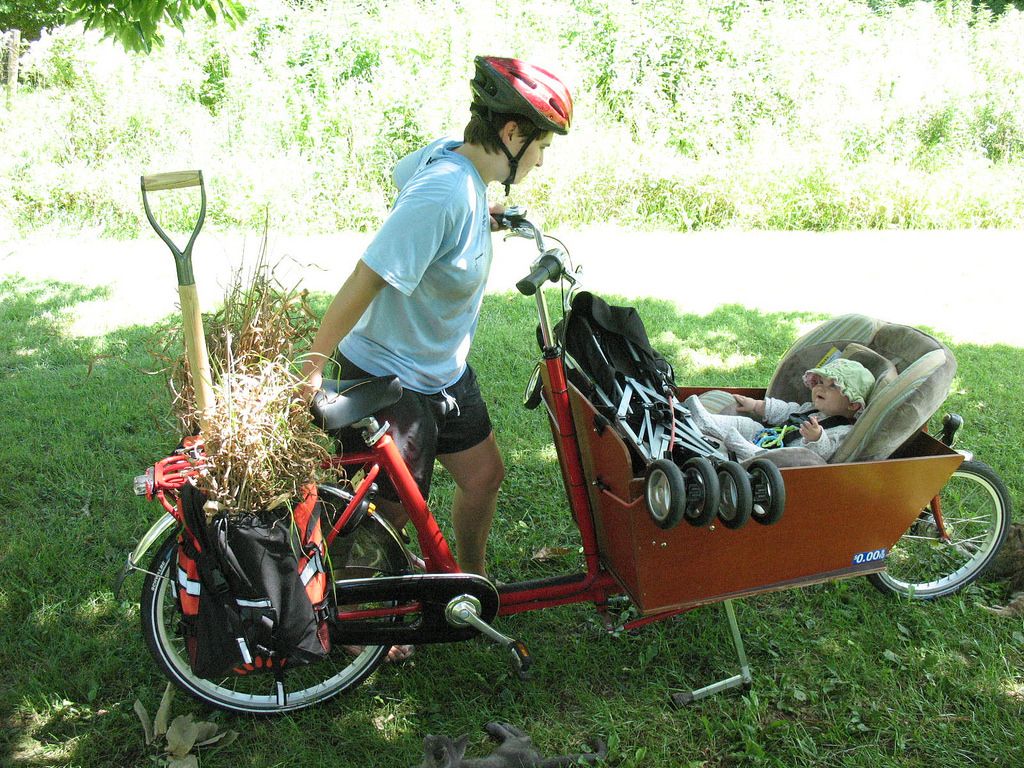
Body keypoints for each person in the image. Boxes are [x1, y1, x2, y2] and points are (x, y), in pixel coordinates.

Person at [301, 56, 573, 584]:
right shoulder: (445, 191)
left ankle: (468, 583)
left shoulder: (454, 168)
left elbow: (405, 174)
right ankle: (360, 616)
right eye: (541, 145)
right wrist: (313, 366)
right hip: (389, 376)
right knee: (388, 515)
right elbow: (368, 276)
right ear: (512, 132)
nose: (541, 161)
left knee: (484, 475)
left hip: (443, 372)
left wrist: (476, 221)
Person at [683, 358, 875, 462]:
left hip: (783, 458)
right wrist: (756, 406)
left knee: (775, 456)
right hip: (768, 436)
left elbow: (826, 453)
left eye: (833, 386)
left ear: (853, 404)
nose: (820, 388)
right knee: (748, 423)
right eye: (820, 382)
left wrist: (817, 438)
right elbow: (786, 411)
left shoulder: (844, 430)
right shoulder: (809, 409)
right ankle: (705, 421)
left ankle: (741, 449)